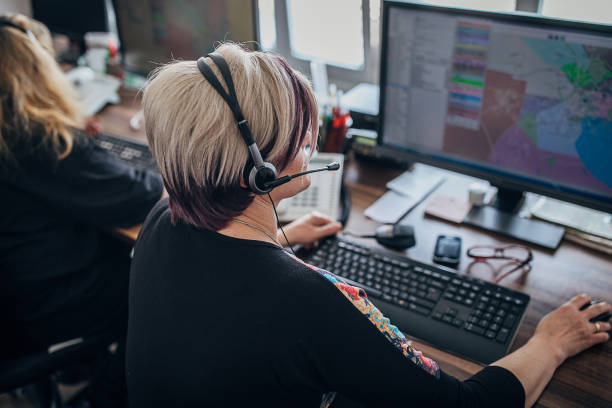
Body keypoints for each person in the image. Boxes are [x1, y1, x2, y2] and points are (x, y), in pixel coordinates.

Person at [126, 42, 611, 407]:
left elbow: (227, 280)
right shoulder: (311, 301)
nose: (310, 143)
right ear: (263, 169)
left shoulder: (163, 217)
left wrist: (282, 237)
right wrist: (549, 343)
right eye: (303, 133)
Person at [0, 14, 163, 406]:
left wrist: (89, 152)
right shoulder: (37, 138)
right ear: (39, 71)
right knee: (156, 287)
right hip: (38, 305)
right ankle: (108, 394)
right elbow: (140, 193)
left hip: (13, 292)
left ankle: (81, 365)